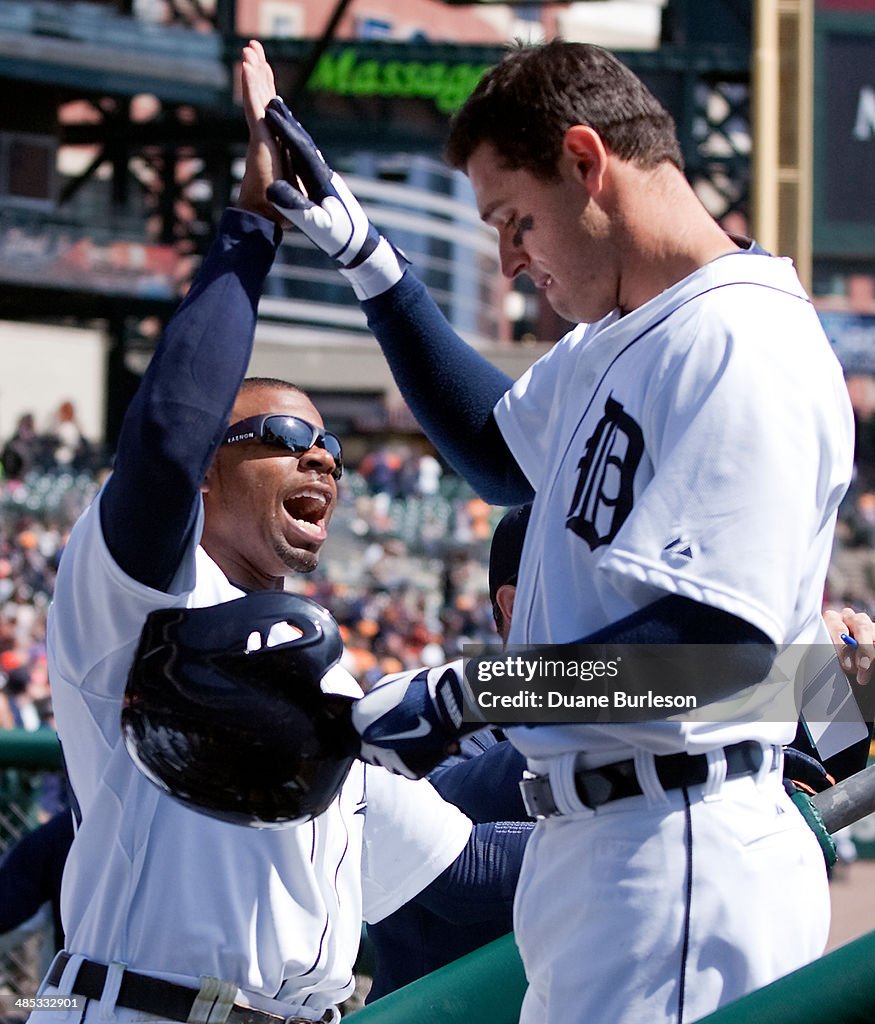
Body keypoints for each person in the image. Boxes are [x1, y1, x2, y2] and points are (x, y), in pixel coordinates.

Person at [262, 40, 857, 1023]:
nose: (507, 259)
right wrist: (366, 258)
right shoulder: (626, 332)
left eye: (513, 220)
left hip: (677, 838)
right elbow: (500, 453)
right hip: (605, 840)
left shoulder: (739, 342)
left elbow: (704, 660)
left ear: (586, 162)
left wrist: (470, 691)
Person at [31, 41, 527, 1024]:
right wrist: (253, 223)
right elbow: (168, 432)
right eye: (286, 436)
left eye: (332, 445)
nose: (322, 460)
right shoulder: (136, 596)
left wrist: (704, 801)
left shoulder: (324, 681)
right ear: (213, 473)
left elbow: (466, 867)